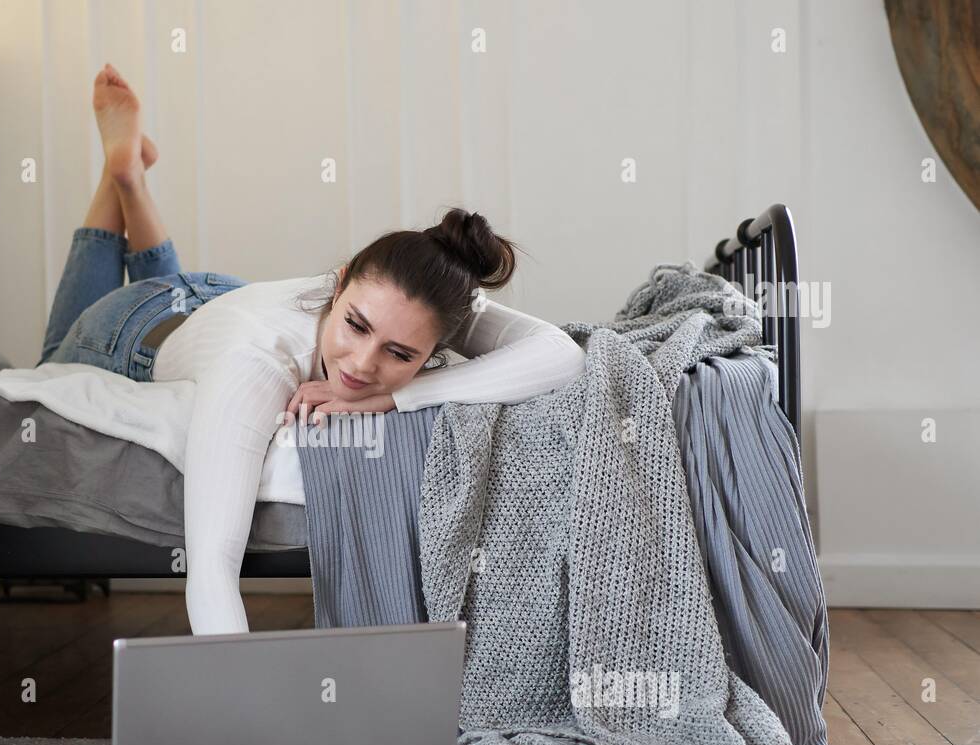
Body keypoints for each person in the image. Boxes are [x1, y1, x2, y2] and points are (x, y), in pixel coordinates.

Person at [41, 65, 586, 635]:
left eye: (400, 355)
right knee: (48, 359)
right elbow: (212, 568)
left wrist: (395, 401)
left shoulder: (409, 298)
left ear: (435, 345)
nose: (360, 365)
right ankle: (119, 177)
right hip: (134, 326)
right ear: (341, 280)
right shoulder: (255, 366)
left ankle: (129, 176)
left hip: (225, 296)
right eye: (354, 325)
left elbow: (561, 355)